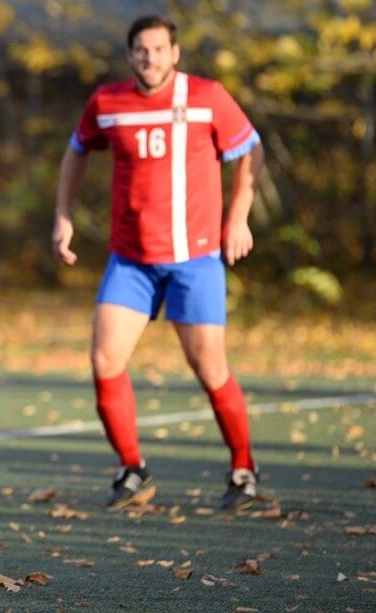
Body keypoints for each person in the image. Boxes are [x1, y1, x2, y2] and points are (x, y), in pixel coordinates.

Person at [52, 15, 265, 511]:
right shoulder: (108, 102)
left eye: (158, 49)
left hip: (195, 259)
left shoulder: (209, 97)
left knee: (209, 367)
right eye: (140, 50)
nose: (150, 57)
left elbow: (250, 153)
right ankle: (133, 468)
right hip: (132, 261)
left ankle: (244, 469)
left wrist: (239, 220)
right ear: (130, 56)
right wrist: (63, 215)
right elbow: (77, 151)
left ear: (175, 52)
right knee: (105, 360)